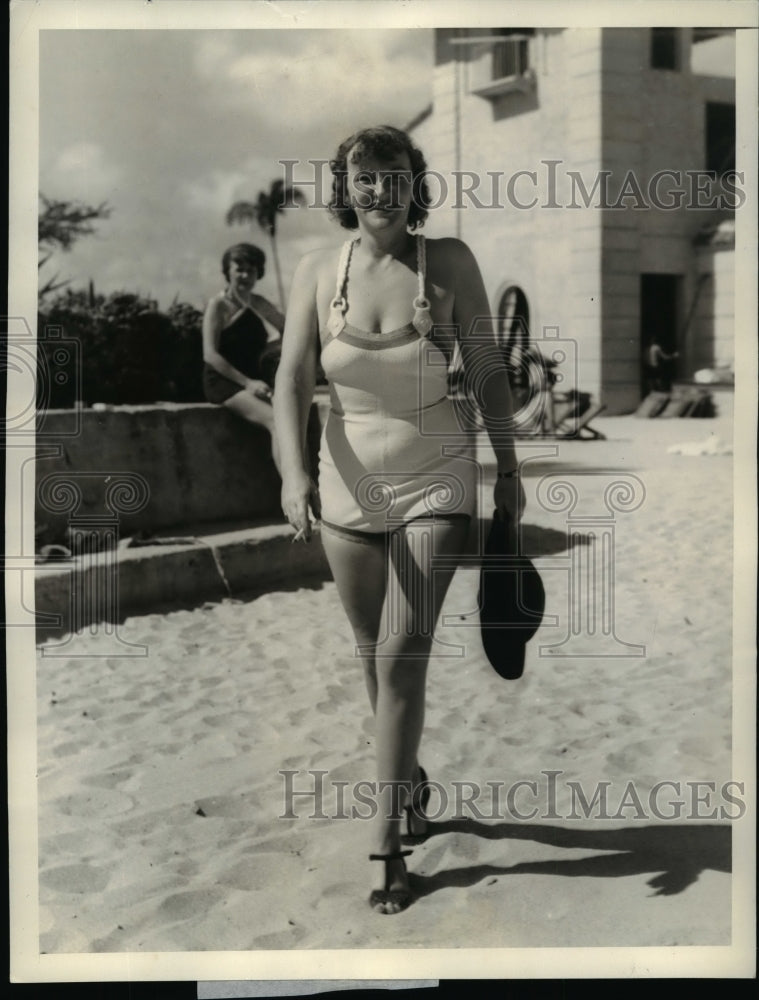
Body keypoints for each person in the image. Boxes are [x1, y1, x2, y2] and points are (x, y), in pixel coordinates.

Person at [273, 125, 525, 914]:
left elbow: (484, 368)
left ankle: (385, 846)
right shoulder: (318, 270)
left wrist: (508, 468)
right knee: (370, 654)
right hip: (345, 487)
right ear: (344, 188)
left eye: (390, 173)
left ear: (413, 182)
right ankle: (408, 781)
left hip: (434, 478)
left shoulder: (446, 261)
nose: (376, 188)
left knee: (401, 655)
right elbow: (288, 383)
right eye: (361, 176)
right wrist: (291, 475)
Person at [202, 243, 285, 472]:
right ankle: (297, 498)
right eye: (239, 269)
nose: (245, 275)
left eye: (252, 270)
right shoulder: (218, 305)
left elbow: (291, 330)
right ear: (227, 271)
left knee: (291, 419)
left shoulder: (259, 303)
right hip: (224, 382)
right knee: (278, 423)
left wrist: (273, 351)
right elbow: (210, 354)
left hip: (254, 381)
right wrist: (247, 383)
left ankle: (309, 496)